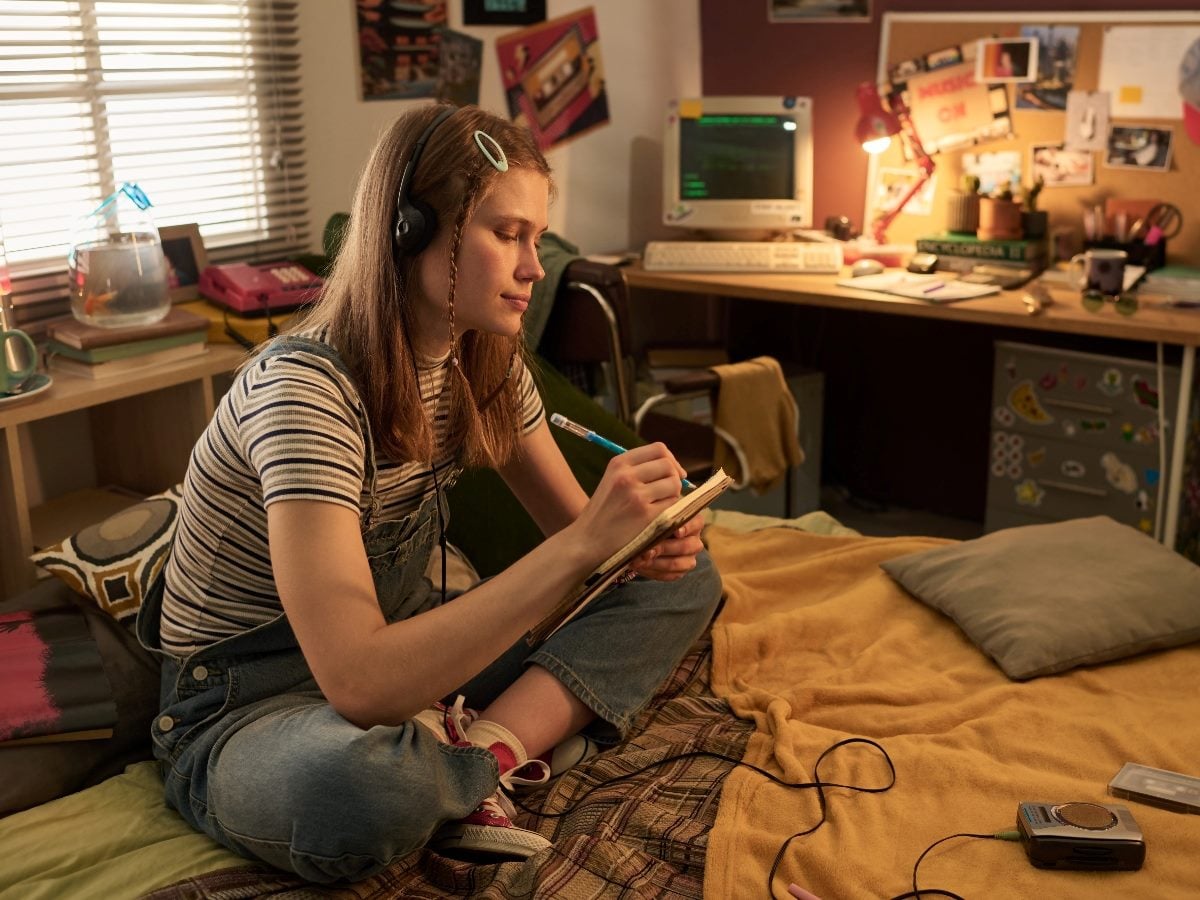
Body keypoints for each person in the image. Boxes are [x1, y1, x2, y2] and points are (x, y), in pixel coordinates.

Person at [135, 102, 722, 883]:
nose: (534, 267)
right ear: (409, 231)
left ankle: (487, 754)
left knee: (688, 578)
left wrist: (641, 538)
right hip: (249, 706)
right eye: (506, 233)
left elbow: (589, 553)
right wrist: (586, 544)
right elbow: (360, 682)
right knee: (360, 786)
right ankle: (476, 754)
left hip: (406, 656)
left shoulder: (485, 361)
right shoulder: (305, 393)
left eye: (536, 238)